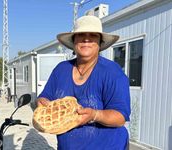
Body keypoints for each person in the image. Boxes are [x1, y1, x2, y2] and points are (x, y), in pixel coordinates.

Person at [36, 15, 131, 150]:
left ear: (100, 43)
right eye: (81, 35)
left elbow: (120, 117)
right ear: (74, 41)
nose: (86, 39)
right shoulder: (61, 69)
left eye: (93, 35)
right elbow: (45, 97)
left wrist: (94, 115)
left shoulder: (112, 72)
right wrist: (42, 102)